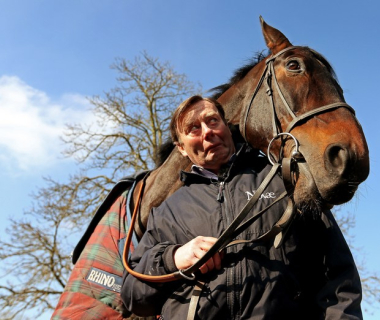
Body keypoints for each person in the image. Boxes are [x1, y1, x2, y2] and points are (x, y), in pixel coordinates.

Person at [121, 95, 363, 319]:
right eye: (194, 128)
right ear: (181, 147)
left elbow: (338, 275)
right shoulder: (167, 211)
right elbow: (132, 296)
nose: (207, 132)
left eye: (213, 120)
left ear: (226, 126)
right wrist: (173, 258)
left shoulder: (286, 180)